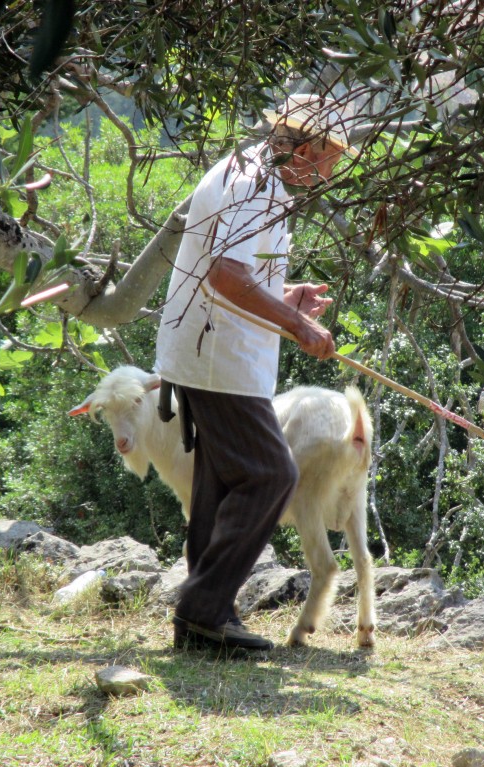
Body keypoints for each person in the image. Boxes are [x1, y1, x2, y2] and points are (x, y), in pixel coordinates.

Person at [154, 93, 356, 652]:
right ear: (307, 148)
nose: (329, 173)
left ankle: (206, 620)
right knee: (271, 474)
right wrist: (298, 324)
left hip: (214, 353)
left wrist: (287, 299)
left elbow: (237, 277)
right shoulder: (253, 185)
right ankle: (202, 611)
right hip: (217, 357)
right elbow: (224, 275)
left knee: (219, 485)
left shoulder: (257, 177)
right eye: (330, 158)